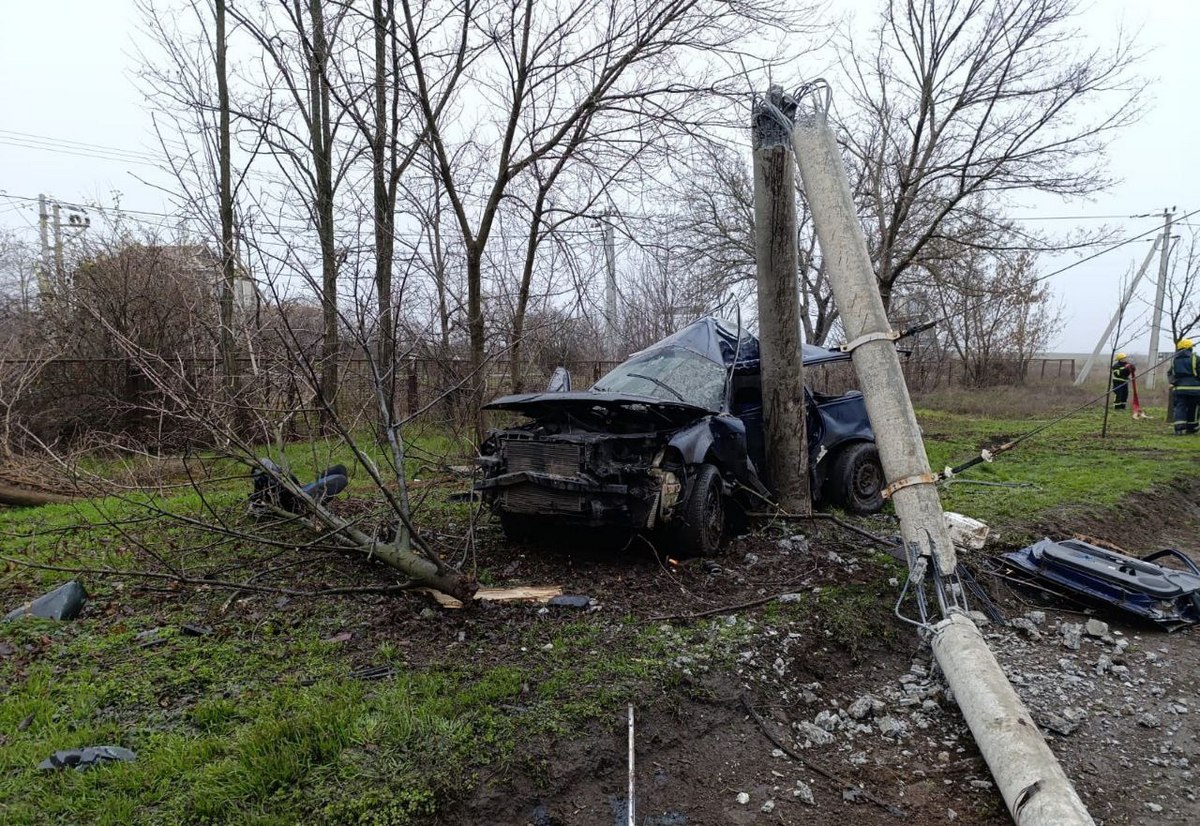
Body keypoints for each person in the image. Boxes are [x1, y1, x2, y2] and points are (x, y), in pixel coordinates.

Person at [1167, 338, 1199, 435]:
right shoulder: (1196, 358)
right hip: (1196, 389)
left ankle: (1179, 429)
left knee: (1180, 407)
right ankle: (1192, 428)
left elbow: (1171, 373)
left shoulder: (1174, 360)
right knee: (1194, 408)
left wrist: (1173, 382)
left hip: (1180, 388)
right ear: (1190, 348)